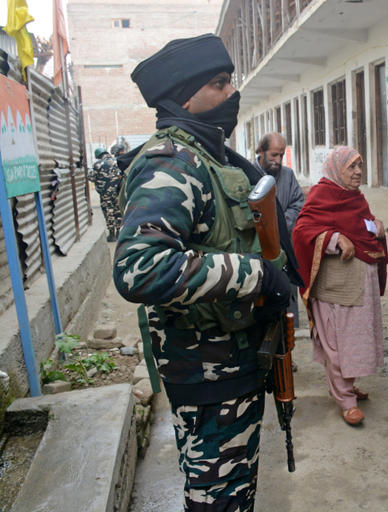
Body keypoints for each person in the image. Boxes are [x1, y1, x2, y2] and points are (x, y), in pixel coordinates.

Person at [113, 34, 300, 511]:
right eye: (219, 83)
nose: (232, 93)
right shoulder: (172, 162)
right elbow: (138, 268)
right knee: (218, 501)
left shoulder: (211, 157)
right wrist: (256, 275)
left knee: (235, 494)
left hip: (232, 366)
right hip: (206, 374)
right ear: (184, 96)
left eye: (230, 81)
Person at [292, 146, 388, 426]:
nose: (358, 172)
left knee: (354, 340)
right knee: (337, 343)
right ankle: (345, 399)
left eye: (360, 166)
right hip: (335, 288)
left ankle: (346, 386)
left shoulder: (355, 197)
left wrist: (376, 225)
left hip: (360, 285)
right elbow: (302, 231)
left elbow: (360, 226)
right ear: (336, 169)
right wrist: (334, 239)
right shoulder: (323, 194)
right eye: (351, 167)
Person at [254, 132, 305, 323]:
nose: (278, 160)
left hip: (285, 250)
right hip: (258, 252)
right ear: (261, 151)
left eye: (281, 155)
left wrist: (280, 225)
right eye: (274, 155)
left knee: (288, 303)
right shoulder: (245, 173)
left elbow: (298, 204)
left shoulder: (288, 175)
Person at [89, 146, 123, 241]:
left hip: (105, 194)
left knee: (108, 212)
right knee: (118, 211)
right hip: (118, 192)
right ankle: (119, 233)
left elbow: (91, 178)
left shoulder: (98, 164)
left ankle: (112, 235)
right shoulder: (117, 161)